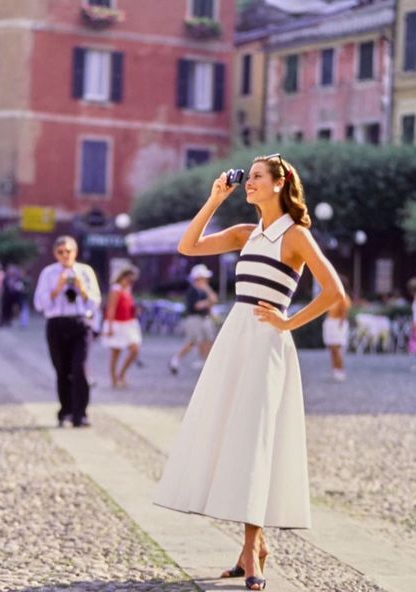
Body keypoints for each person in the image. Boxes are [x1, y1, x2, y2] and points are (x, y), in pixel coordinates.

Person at [154, 153, 345, 591]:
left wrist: (287, 322)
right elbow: (189, 246)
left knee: (256, 442)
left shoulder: (294, 235)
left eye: (257, 177)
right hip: (234, 341)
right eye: (248, 178)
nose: (249, 183)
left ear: (279, 184)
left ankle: (254, 551)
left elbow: (334, 290)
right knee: (235, 439)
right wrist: (214, 198)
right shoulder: (246, 233)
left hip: (266, 345)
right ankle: (250, 550)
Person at [33, 236, 101, 427]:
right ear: (55, 254)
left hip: (80, 323)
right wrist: (57, 288)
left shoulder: (85, 272)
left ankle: (81, 413)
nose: (65, 256)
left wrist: (81, 288)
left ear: (75, 252)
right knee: (62, 370)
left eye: (68, 251)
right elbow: (40, 304)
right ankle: (66, 412)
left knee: (80, 369)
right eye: (61, 252)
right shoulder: (48, 273)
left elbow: (95, 302)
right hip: (57, 324)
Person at [168, 264, 218, 374]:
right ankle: (176, 359)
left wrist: (207, 293)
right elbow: (196, 306)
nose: (206, 280)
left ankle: (206, 362)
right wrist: (207, 302)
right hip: (194, 318)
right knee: (192, 342)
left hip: (204, 318)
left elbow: (213, 299)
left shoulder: (204, 291)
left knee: (208, 341)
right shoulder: (192, 291)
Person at [101, 264, 142, 388]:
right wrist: (110, 327)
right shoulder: (116, 289)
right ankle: (114, 379)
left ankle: (121, 374)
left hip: (128, 323)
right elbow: (111, 308)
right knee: (116, 352)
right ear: (123, 277)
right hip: (117, 323)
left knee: (135, 349)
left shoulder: (127, 290)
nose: (130, 282)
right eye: (129, 280)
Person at [322, 275, 352, 381]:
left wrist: (341, 325)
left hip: (338, 322)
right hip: (330, 321)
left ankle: (341, 370)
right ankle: (335, 369)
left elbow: (344, 312)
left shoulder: (343, 297)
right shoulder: (333, 295)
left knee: (337, 348)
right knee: (332, 349)